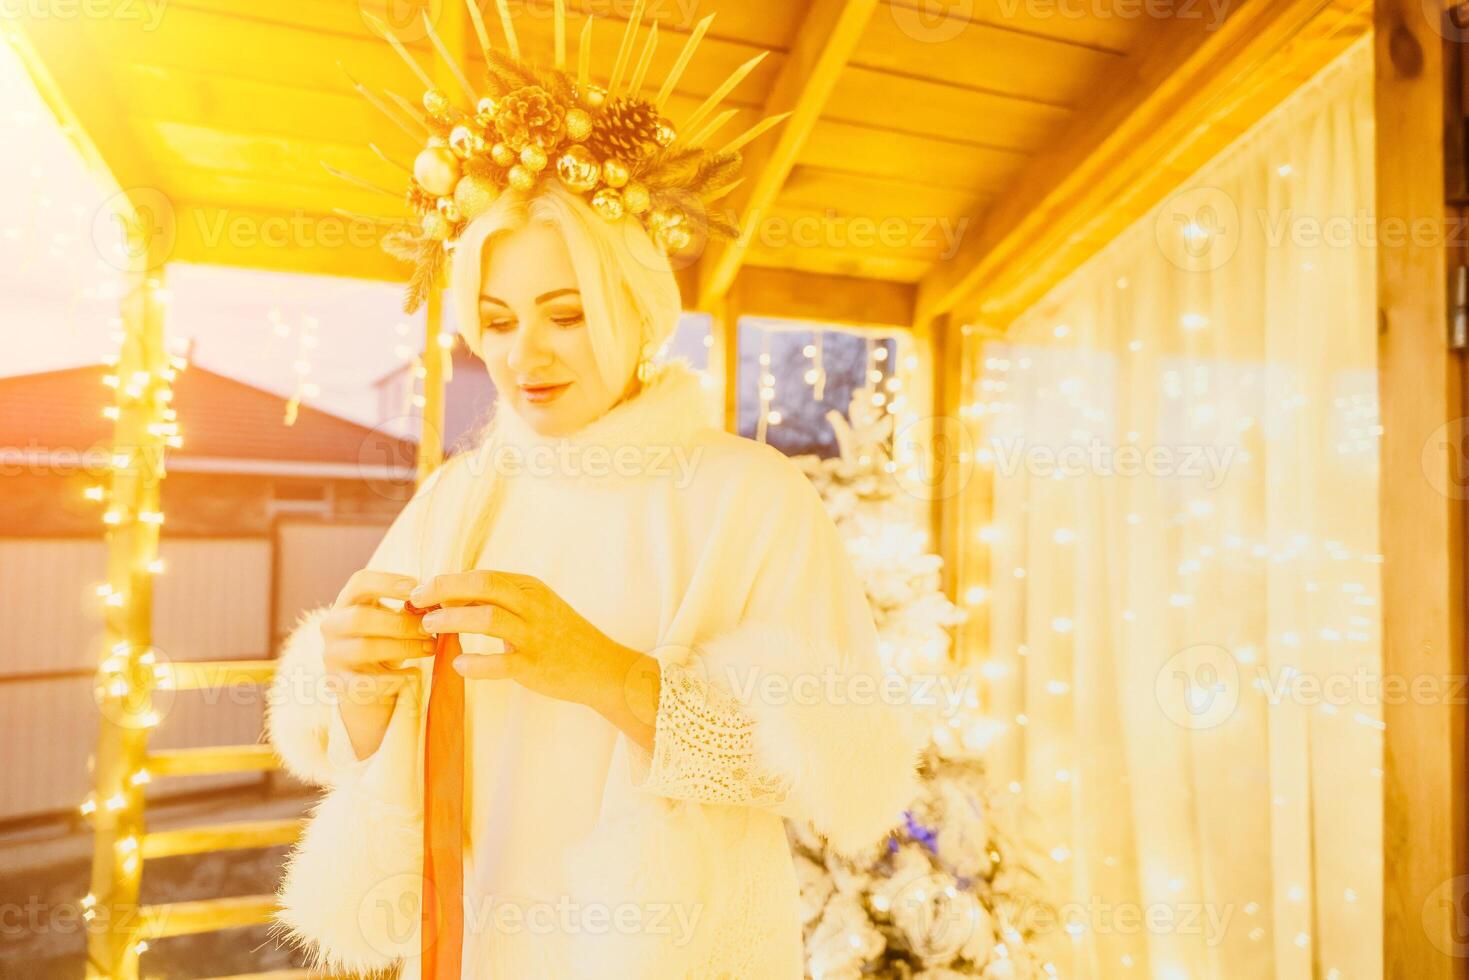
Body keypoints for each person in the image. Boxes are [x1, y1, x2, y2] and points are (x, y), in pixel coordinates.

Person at [265, 170, 920, 980]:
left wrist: (606, 675)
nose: (523, 353)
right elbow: (361, 745)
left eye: (565, 316)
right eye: (496, 322)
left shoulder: (746, 495)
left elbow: (839, 775)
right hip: (479, 936)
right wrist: (361, 692)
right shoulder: (459, 497)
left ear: (633, 313)